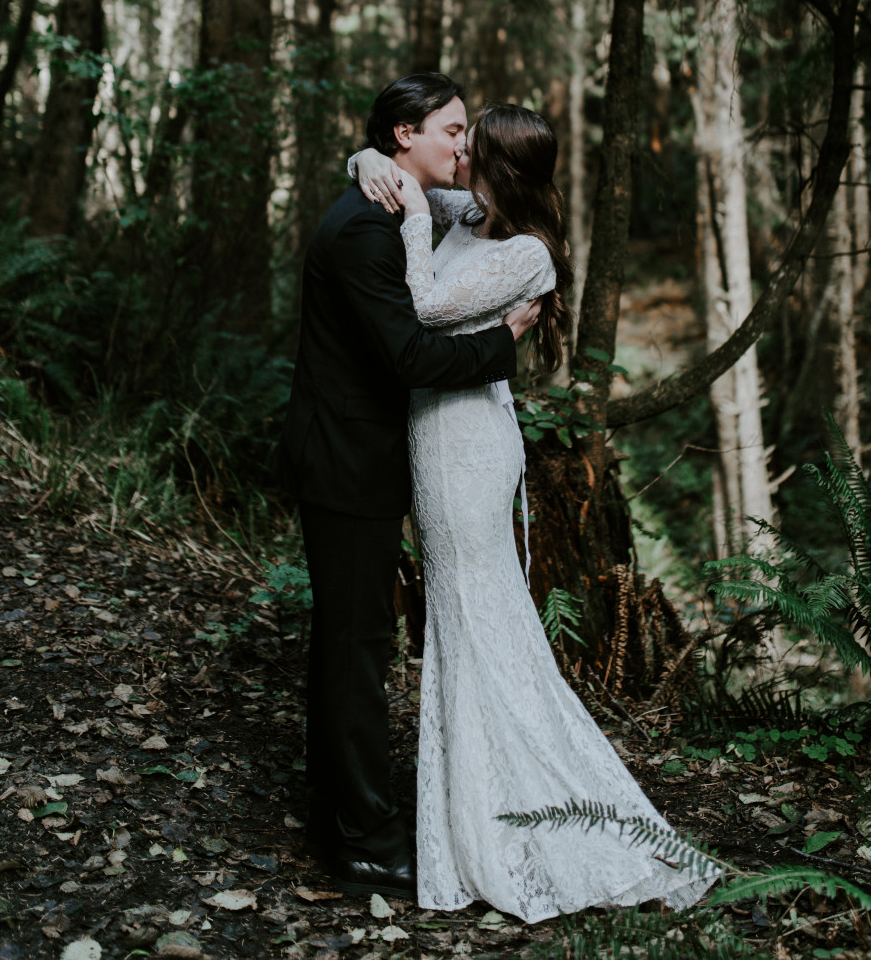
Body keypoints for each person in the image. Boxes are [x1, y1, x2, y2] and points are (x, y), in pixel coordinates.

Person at [350, 103, 717, 923]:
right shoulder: (470, 213)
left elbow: (424, 309)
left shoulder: (526, 255)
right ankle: (479, 802)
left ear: (499, 164)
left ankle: (539, 808)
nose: (458, 149)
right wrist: (363, 162)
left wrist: (408, 215)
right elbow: (396, 170)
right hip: (435, 436)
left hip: (470, 448)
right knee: (461, 617)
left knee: (480, 615)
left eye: (470, 143)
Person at [275, 74, 542, 900]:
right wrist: (503, 342)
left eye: (466, 133)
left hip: (361, 460)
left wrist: (364, 158)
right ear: (403, 136)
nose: (464, 146)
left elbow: (488, 226)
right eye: (452, 131)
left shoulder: (399, 210)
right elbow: (412, 357)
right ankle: (362, 839)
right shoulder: (363, 229)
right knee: (355, 650)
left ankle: (341, 817)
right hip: (346, 465)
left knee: (349, 643)